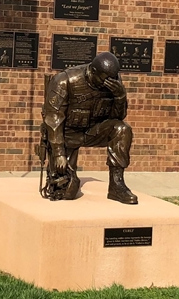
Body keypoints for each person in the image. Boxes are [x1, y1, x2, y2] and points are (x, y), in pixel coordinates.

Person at [38, 51, 138, 204]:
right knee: (66, 191)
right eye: (104, 79)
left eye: (112, 79)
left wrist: (120, 97)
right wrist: (58, 153)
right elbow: (53, 119)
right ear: (93, 70)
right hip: (67, 135)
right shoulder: (65, 80)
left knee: (122, 129)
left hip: (94, 131)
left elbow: (117, 118)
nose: (107, 83)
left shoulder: (113, 82)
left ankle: (117, 186)